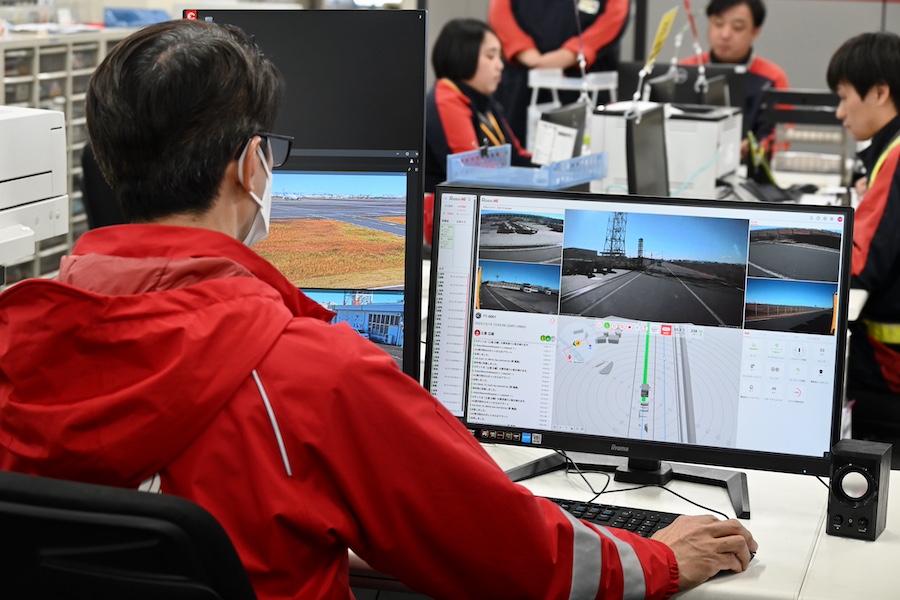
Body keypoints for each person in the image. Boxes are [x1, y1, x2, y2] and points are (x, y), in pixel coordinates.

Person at [0, 19, 757, 600]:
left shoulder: (20, 338)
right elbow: (510, 550)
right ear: (247, 167)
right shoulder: (312, 375)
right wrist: (661, 557)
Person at [826, 32, 900, 401]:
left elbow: (858, 263)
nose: (840, 112)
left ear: (880, 93)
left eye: (843, 97)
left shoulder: (897, 153)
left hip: (889, 359)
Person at [424, 18, 531, 247]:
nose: (500, 65)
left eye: (499, 56)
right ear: (463, 56)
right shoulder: (446, 100)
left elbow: (518, 156)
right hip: (442, 222)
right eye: (491, 56)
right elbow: (471, 174)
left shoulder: (487, 103)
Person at [488, 0, 630, 146]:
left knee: (581, 151)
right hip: (522, 78)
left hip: (583, 78)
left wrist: (566, 56)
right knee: (516, 150)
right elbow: (501, 15)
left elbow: (613, 17)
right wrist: (532, 58)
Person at [679, 0, 788, 158]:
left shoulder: (772, 78)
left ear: (755, 31)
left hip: (749, 172)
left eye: (737, 27)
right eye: (718, 24)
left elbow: (781, 137)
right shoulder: (686, 70)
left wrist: (755, 149)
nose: (725, 35)